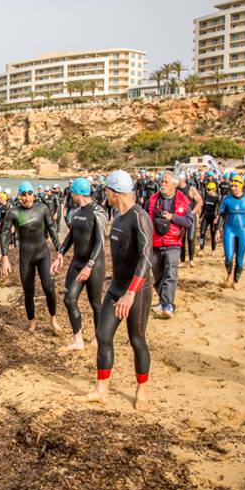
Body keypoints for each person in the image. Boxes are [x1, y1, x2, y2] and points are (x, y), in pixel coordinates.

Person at [82, 170, 153, 411]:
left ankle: (142, 389)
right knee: (103, 336)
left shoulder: (139, 217)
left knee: (137, 340)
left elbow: (145, 259)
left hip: (138, 290)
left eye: (107, 191)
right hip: (116, 287)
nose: (105, 195)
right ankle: (102, 390)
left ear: (114, 192)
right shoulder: (119, 217)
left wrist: (131, 293)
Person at [0, 181, 61, 336]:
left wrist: (60, 251)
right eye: (23, 195)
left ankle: (53, 319)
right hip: (26, 256)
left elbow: (52, 229)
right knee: (28, 292)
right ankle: (32, 321)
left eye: (29, 194)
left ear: (33, 194)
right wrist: (4, 257)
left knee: (49, 289)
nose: (27, 198)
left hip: (43, 255)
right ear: (19, 196)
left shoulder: (42, 209)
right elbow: (4, 234)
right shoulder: (14, 213)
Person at [52, 177, 107, 350]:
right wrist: (60, 253)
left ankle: (99, 338)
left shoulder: (98, 211)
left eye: (72, 192)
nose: (71, 196)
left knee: (96, 303)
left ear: (76, 193)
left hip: (95, 265)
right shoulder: (75, 213)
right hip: (77, 263)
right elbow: (71, 236)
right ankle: (78, 340)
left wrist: (90, 265)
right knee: (69, 299)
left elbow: (100, 241)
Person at [146, 171, 193, 319]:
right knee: (158, 275)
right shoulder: (153, 199)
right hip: (154, 243)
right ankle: (163, 301)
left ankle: (168, 305)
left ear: (175, 184)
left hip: (173, 243)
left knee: (171, 273)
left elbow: (189, 222)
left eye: (166, 182)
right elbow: (143, 219)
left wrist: (172, 217)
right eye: (162, 182)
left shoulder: (183, 200)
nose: (163, 185)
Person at [219, 176, 245, 288]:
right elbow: (222, 216)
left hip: (243, 230)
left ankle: (236, 281)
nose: (233, 188)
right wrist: (218, 231)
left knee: (239, 258)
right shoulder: (227, 199)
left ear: (242, 186)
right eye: (232, 186)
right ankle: (229, 274)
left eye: (236, 186)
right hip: (229, 229)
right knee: (228, 257)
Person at [177, 173, 203, 267]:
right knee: (181, 239)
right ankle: (182, 260)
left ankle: (191, 260)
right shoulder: (175, 190)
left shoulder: (191, 189)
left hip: (190, 217)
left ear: (182, 179)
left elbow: (200, 201)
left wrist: (193, 212)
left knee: (191, 238)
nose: (176, 181)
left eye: (178, 179)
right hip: (180, 217)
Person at [199, 182, 221, 253]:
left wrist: (216, 218)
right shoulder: (206, 196)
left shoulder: (217, 198)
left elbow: (218, 210)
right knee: (202, 233)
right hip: (206, 216)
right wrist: (200, 217)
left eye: (209, 190)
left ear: (214, 190)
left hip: (213, 218)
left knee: (213, 233)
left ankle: (213, 249)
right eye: (207, 189)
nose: (208, 191)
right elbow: (204, 208)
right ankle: (201, 249)